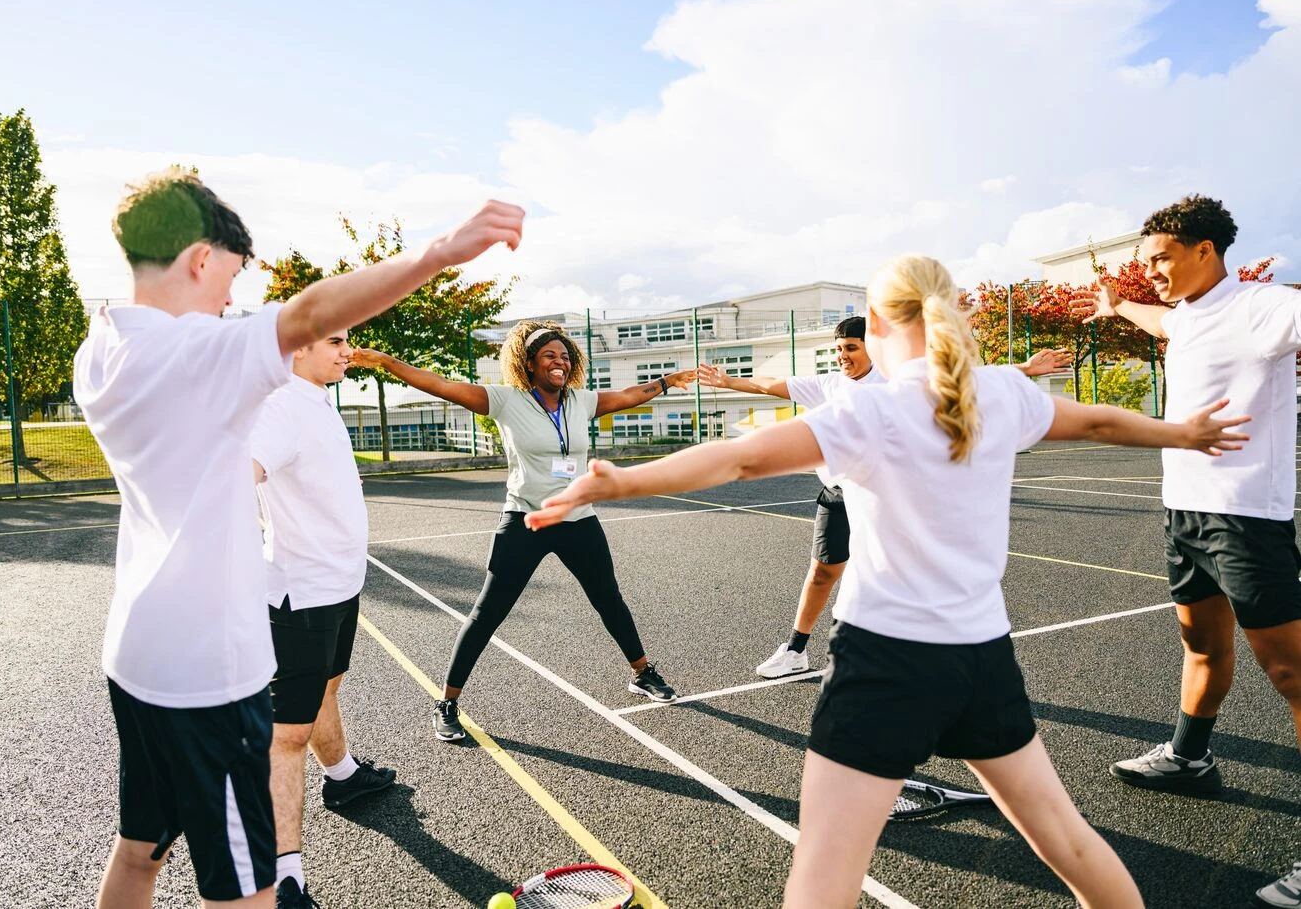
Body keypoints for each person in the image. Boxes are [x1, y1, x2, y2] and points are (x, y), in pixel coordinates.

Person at [526, 254, 1249, 909]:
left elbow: (740, 458)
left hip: (887, 665)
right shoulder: (1001, 391)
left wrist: (621, 482)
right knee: (1068, 840)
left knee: (824, 874)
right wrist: (1180, 432)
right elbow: (1096, 423)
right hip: (983, 658)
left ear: (873, 325)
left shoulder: (873, 408)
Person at [75, 167, 522, 909]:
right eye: (230, 276)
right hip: (208, 676)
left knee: (137, 854)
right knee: (247, 892)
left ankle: (342, 770)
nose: (230, 299)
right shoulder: (196, 359)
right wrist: (441, 250)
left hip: (136, 656)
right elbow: (310, 313)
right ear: (198, 259)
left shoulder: (102, 349)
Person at [1071, 194, 1301, 908]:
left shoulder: (1261, 306)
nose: (1153, 273)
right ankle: (1190, 756)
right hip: (1185, 513)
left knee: (1292, 670)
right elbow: (1163, 319)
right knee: (1201, 644)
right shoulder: (1186, 314)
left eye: (1161, 259)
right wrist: (1115, 306)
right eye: (1146, 263)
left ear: (1207, 250)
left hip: (1244, 518)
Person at [349, 322, 697, 742]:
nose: (560, 363)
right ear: (529, 363)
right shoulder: (505, 400)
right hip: (526, 520)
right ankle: (447, 703)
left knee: (609, 599)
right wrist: (386, 362)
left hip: (577, 519)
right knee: (486, 614)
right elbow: (439, 385)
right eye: (550, 356)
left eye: (566, 357)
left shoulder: (580, 402)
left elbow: (628, 396)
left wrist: (667, 380)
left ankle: (642, 673)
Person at [699, 317, 1071, 678]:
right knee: (822, 572)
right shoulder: (828, 385)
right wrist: (730, 380)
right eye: (838, 349)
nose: (842, 355)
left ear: (872, 347)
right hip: (838, 495)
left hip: (883, 498)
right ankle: (795, 651)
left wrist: (1024, 368)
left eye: (851, 348)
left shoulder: (894, 381)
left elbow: (962, 380)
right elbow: (770, 385)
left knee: (897, 578)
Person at [250, 329, 397, 909]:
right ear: (297, 347)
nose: (346, 350)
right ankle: (283, 876)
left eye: (349, 340)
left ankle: (342, 777)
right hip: (300, 599)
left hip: (340, 587)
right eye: (334, 340)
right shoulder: (281, 405)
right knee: (285, 737)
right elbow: (242, 473)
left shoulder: (317, 396)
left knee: (328, 690)